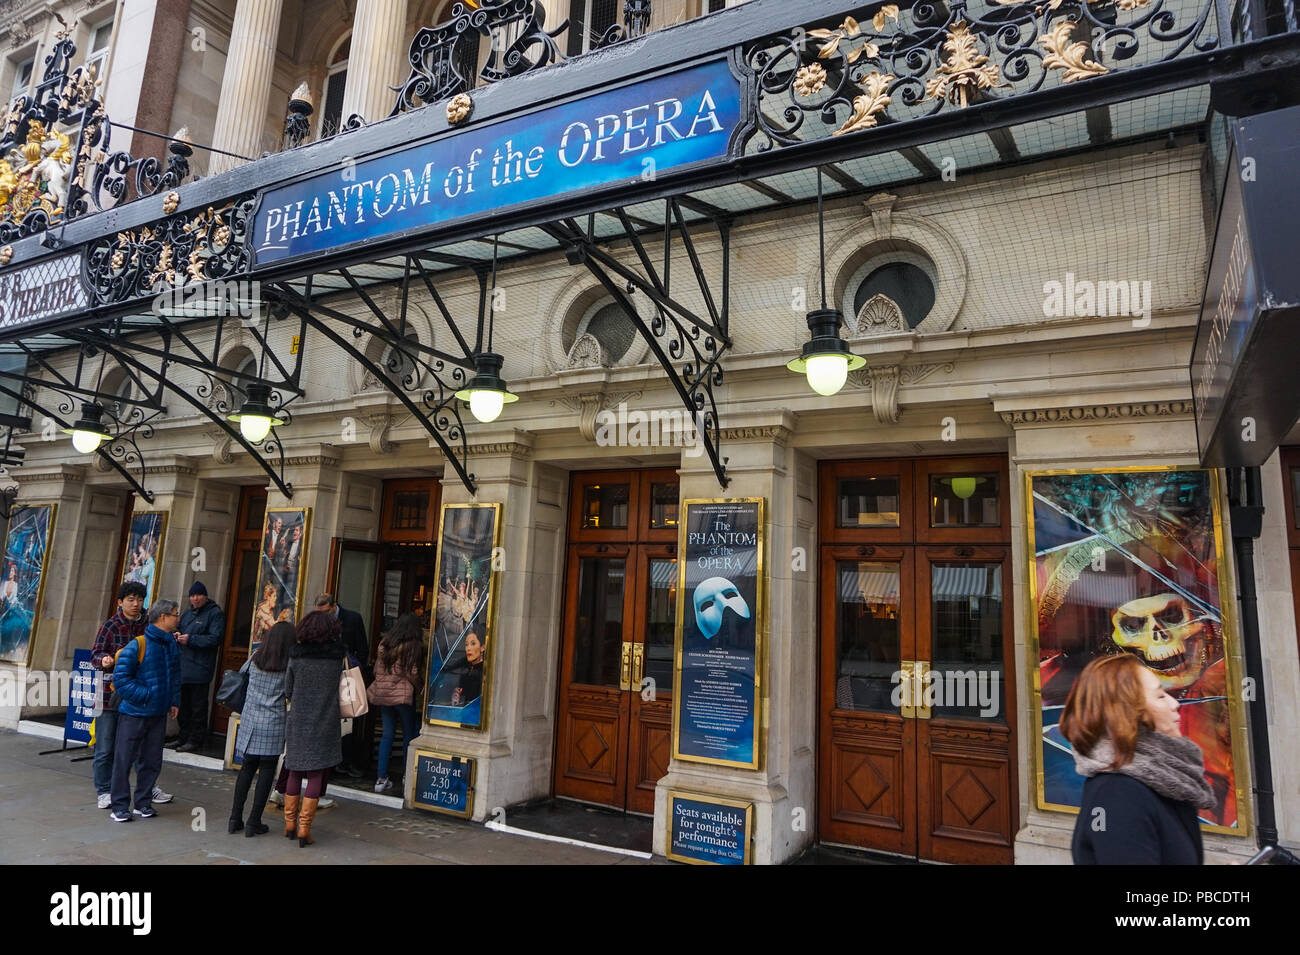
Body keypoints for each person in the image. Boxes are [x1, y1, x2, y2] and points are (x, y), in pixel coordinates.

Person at [1062, 653, 1216, 864]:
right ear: (1127, 712)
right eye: (1161, 696)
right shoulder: (1119, 794)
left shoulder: (1158, 780)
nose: (1175, 704)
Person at [89, 581, 172, 809]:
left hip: (139, 697)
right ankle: (104, 790)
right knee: (106, 745)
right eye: (130, 600)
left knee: (143, 748)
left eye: (139, 599)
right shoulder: (110, 626)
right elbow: (95, 654)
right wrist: (104, 660)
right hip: (109, 694)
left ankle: (147, 788)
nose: (136, 604)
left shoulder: (149, 624)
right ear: (120, 602)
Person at [108, 600, 182, 823]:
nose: (178, 618)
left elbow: (175, 675)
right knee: (124, 760)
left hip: (157, 714)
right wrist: (147, 695)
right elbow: (120, 680)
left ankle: (143, 802)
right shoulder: (137, 645)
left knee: (151, 761)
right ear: (162, 617)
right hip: (134, 713)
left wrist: (173, 700)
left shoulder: (171, 644)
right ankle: (120, 806)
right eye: (175, 615)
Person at [283, 609, 346, 846]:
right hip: (325, 720)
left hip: (298, 719)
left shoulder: (296, 657)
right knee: (317, 773)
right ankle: (304, 828)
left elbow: (287, 690)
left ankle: (289, 823)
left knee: (295, 770)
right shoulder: (336, 659)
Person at [229, 620, 294, 836]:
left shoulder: (255, 658)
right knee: (266, 771)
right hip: (273, 722)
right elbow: (290, 692)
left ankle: (234, 818)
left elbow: (241, 675)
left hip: (250, 720)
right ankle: (253, 821)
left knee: (246, 769)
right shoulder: (288, 664)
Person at [315, 592, 369, 777]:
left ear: (334, 605)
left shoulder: (353, 618)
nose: (324, 616)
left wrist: (355, 669)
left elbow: (363, 648)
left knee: (349, 720)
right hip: (326, 678)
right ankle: (328, 763)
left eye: (326, 612)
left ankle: (346, 761)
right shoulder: (318, 621)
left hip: (347, 677)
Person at [368, 613, 424, 793]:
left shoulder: (384, 643)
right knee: (408, 734)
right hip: (401, 696)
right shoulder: (413, 647)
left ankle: (381, 778)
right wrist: (421, 687)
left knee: (387, 735)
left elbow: (377, 669)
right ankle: (407, 775)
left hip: (384, 695)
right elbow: (413, 673)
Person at [174, 581, 227, 753]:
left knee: (198, 706)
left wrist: (191, 640)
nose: (195, 599)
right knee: (183, 705)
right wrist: (177, 635)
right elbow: (180, 629)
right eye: (192, 595)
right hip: (183, 666)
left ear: (205, 596)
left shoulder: (214, 613)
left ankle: (196, 739)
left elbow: (215, 638)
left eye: (198, 595)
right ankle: (182, 737)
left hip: (200, 667)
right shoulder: (188, 613)